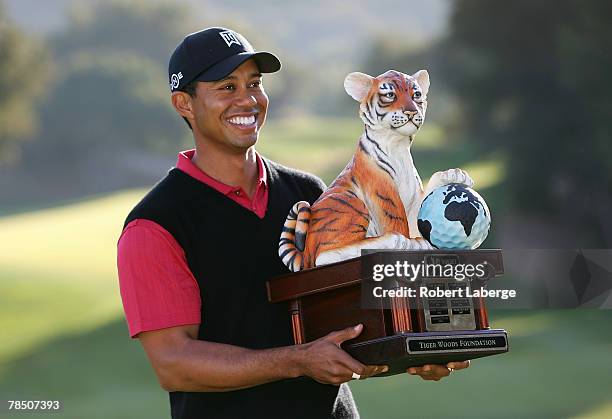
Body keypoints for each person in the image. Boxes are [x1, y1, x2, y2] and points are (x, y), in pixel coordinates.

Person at [117, 27, 469, 419]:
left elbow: (356, 308)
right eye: (227, 87)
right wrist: (298, 361)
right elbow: (174, 363)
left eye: (254, 83)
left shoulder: (308, 192)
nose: (248, 99)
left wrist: (420, 346)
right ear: (184, 103)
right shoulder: (156, 224)